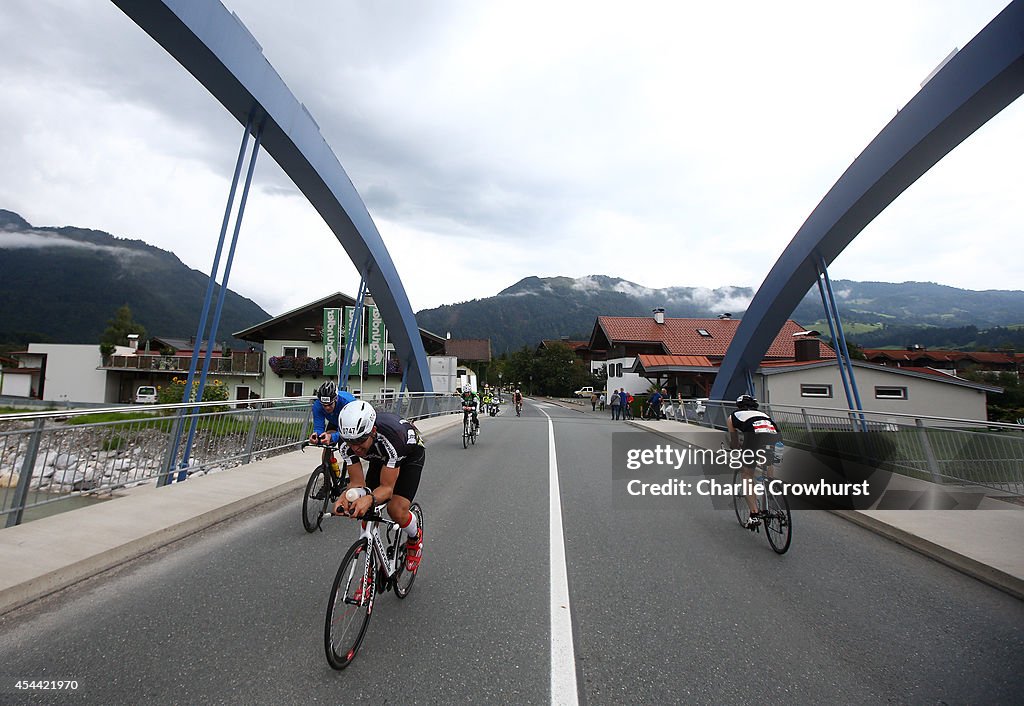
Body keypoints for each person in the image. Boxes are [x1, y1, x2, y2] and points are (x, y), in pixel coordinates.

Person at [333, 400, 425, 572]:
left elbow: (387, 489)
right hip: (379, 456)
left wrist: (369, 498)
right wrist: (345, 497)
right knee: (366, 512)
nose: (355, 448)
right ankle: (370, 574)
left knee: (396, 510)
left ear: (373, 431)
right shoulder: (347, 445)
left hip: (408, 455)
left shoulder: (392, 439)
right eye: (349, 441)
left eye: (360, 440)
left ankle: (415, 537)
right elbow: (356, 483)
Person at [726, 394, 780, 529]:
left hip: (754, 438)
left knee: (747, 475)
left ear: (738, 406)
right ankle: (770, 486)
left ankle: (754, 515)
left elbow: (734, 442)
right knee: (768, 463)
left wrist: (734, 449)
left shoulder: (733, 416)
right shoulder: (764, 415)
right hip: (775, 437)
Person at [309, 380, 356, 445]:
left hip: (349, 420)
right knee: (326, 439)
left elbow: (350, 431)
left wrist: (332, 437)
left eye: (330, 404)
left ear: (336, 399)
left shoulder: (347, 404)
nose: (327, 408)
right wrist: (317, 436)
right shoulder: (317, 406)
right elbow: (318, 427)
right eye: (324, 405)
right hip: (334, 420)